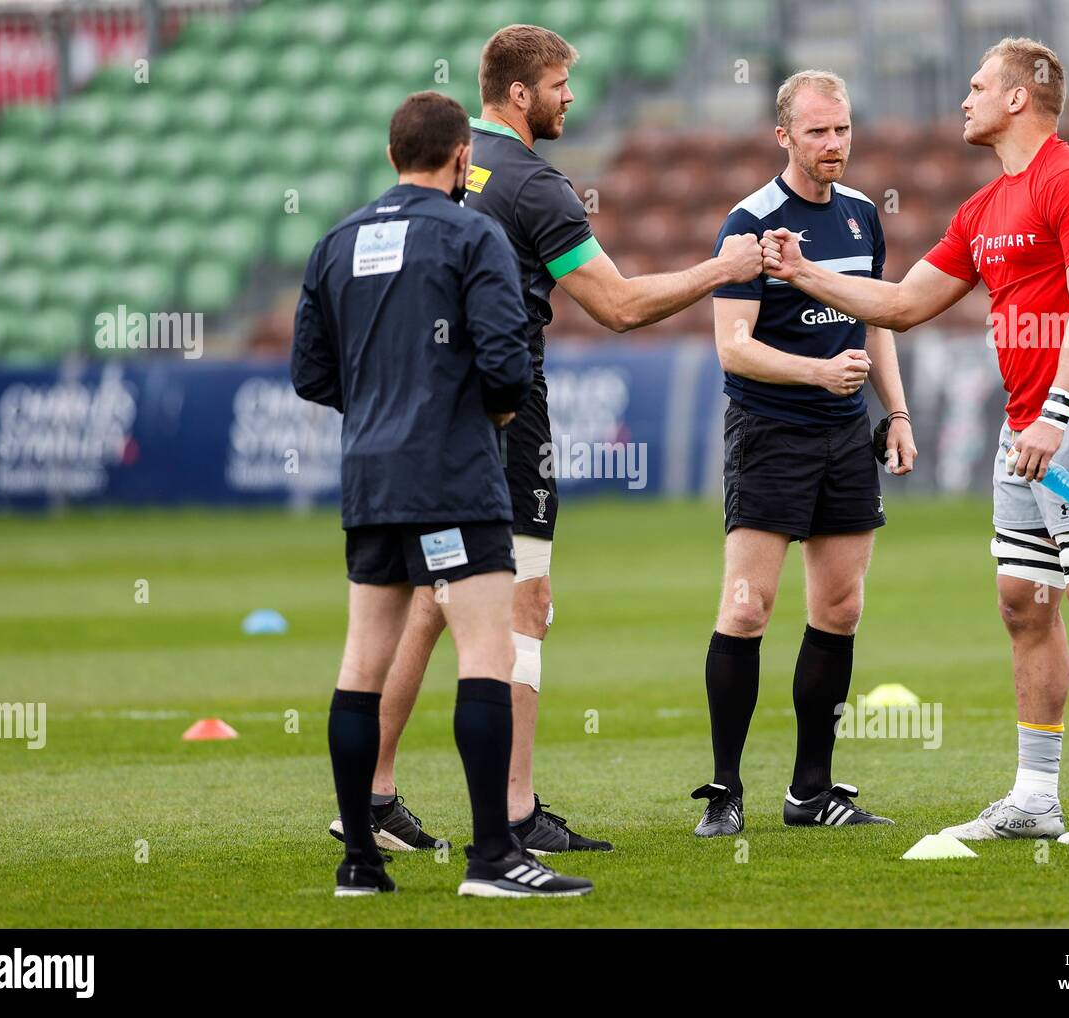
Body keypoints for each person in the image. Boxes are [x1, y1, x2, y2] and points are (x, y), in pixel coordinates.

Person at [335, 23, 764, 855]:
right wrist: (724, 267)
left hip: (419, 409)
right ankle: (515, 812)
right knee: (522, 600)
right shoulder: (536, 183)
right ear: (520, 92)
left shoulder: (455, 172)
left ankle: (375, 794)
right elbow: (620, 306)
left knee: (428, 598)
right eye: (562, 83)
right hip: (503, 406)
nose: (573, 95)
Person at [759, 38, 1069, 844]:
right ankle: (1036, 797)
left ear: (1019, 99)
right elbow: (906, 303)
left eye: (979, 85)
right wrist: (804, 274)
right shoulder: (985, 209)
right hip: (1026, 432)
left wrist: (1057, 412)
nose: (966, 97)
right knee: (1024, 604)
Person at [293, 90, 592, 897]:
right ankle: (494, 859)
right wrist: (478, 416)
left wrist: (384, 407)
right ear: (463, 157)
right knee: (486, 656)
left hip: (370, 476)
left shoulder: (336, 242)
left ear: (393, 156)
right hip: (458, 474)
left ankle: (359, 860)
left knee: (361, 664)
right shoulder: (473, 233)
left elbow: (311, 374)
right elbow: (507, 367)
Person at [693, 70, 916, 837]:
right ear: (783, 136)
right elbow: (733, 349)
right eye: (818, 131)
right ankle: (725, 791)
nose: (834, 145)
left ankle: (811, 792)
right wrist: (818, 372)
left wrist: (897, 411)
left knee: (841, 609)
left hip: (845, 436)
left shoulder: (860, 217)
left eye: (843, 129)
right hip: (770, 432)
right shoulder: (750, 223)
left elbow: (878, 318)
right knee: (747, 609)